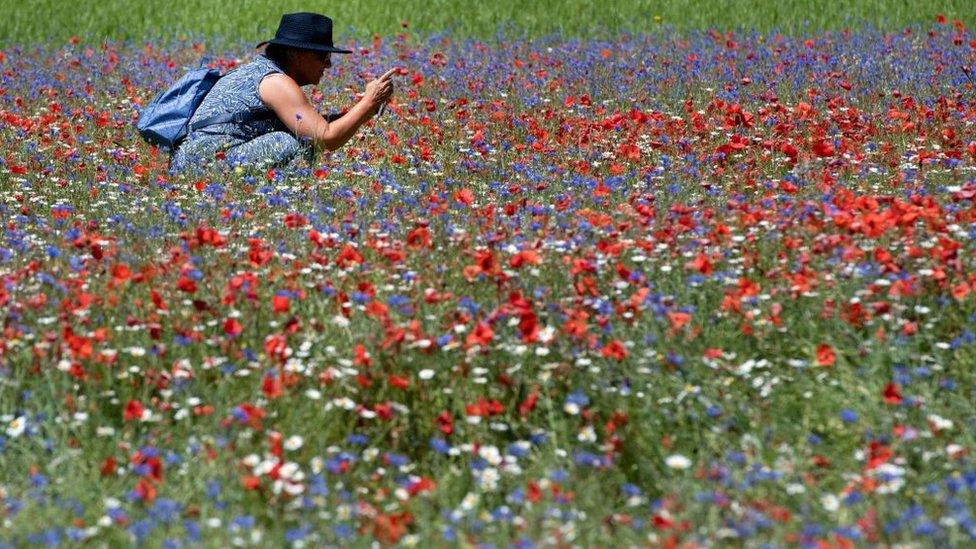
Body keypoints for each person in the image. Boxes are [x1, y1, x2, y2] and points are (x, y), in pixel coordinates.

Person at [170, 12, 394, 174]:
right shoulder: (276, 82)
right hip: (203, 165)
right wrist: (366, 102)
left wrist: (370, 108)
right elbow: (325, 138)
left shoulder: (262, 71)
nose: (329, 65)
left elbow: (313, 125)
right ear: (296, 54)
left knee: (300, 134)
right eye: (322, 57)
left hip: (195, 161)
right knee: (296, 142)